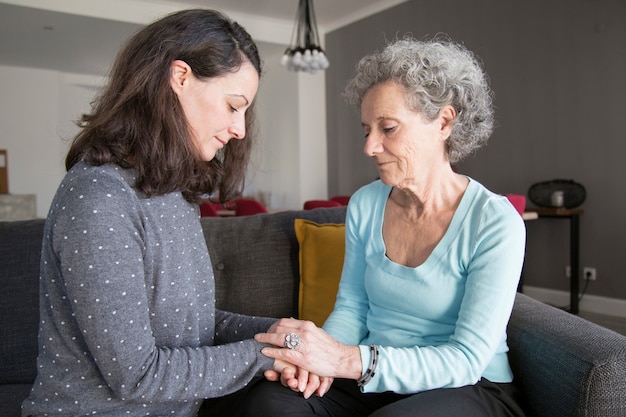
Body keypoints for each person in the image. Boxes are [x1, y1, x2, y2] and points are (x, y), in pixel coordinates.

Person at [22, 9, 296, 417]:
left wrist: (276, 334)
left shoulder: (172, 192)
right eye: (233, 105)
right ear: (180, 77)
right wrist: (268, 354)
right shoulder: (99, 197)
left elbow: (189, 323)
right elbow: (138, 375)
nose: (239, 129)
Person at [243, 37, 527, 416]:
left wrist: (345, 361)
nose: (370, 147)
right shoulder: (365, 203)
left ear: (444, 122)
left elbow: (466, 358)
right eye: (367, 130)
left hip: (465, 386)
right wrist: (320, 362)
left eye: (388, 128)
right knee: (270, 403)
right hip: (372, 376)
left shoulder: (494, 221)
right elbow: (352, 307)